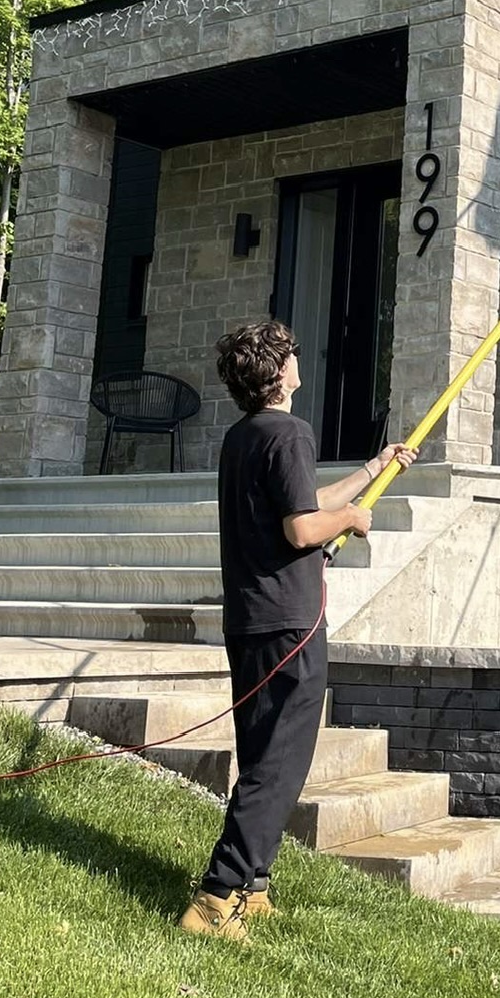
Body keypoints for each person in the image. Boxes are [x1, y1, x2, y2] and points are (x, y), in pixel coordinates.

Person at [179, 319, 416, 939]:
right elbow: (304, 529)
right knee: (279, 765)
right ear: (278, 371)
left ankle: (253, 890)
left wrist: (373, 467)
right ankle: (216, 895)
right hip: (290, 624)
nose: (297, 358)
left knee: (261, 752)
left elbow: (300, 500)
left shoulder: (244, 436)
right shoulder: (290, 431)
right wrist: (356, 520)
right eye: (291, 353)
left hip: (252, 620)